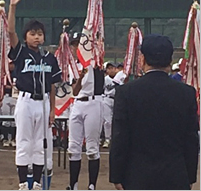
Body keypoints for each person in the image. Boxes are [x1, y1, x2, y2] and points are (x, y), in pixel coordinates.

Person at [109, 34, 199, 190]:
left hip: (137, 175)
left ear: (142, 59)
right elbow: (191, 139)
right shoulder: (187, 93)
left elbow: (120, 137)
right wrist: (190, 175)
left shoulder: (126, 92)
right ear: (170, 61)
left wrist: (117, 175)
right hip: (175, 175)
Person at [8, 0, 61, 190]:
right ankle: (23, 183)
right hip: (26, 100)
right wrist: (13, 6)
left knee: (41, 144)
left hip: (44, 102)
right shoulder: (21, 52)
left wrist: (53, 110)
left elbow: (53, 85)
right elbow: (11, 31)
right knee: (24, 141)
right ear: (26, 36)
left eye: (39, 34)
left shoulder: (49, 58)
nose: (36, 37)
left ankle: (37, 182)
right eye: (32, 34)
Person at [66, 33, 105, 190]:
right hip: (78, 103)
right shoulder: (74, 65)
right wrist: (80, 78)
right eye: (74, 45)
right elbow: (74, 91)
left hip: (93, 102)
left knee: (91, 147)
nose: (77, 48)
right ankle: (73, 184)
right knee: (73, 146)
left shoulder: (95, 63)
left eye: (79, 44)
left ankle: (91, 185)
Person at [102, 62, 117, 148]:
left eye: (112, 68)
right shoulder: (105, 79)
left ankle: (115, 139)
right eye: (109, 68)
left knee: (116, 121)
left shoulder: (120, 78)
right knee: (107, 121)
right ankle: (107, 139)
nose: (111, 70)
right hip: (107, 99)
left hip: (117, 100)